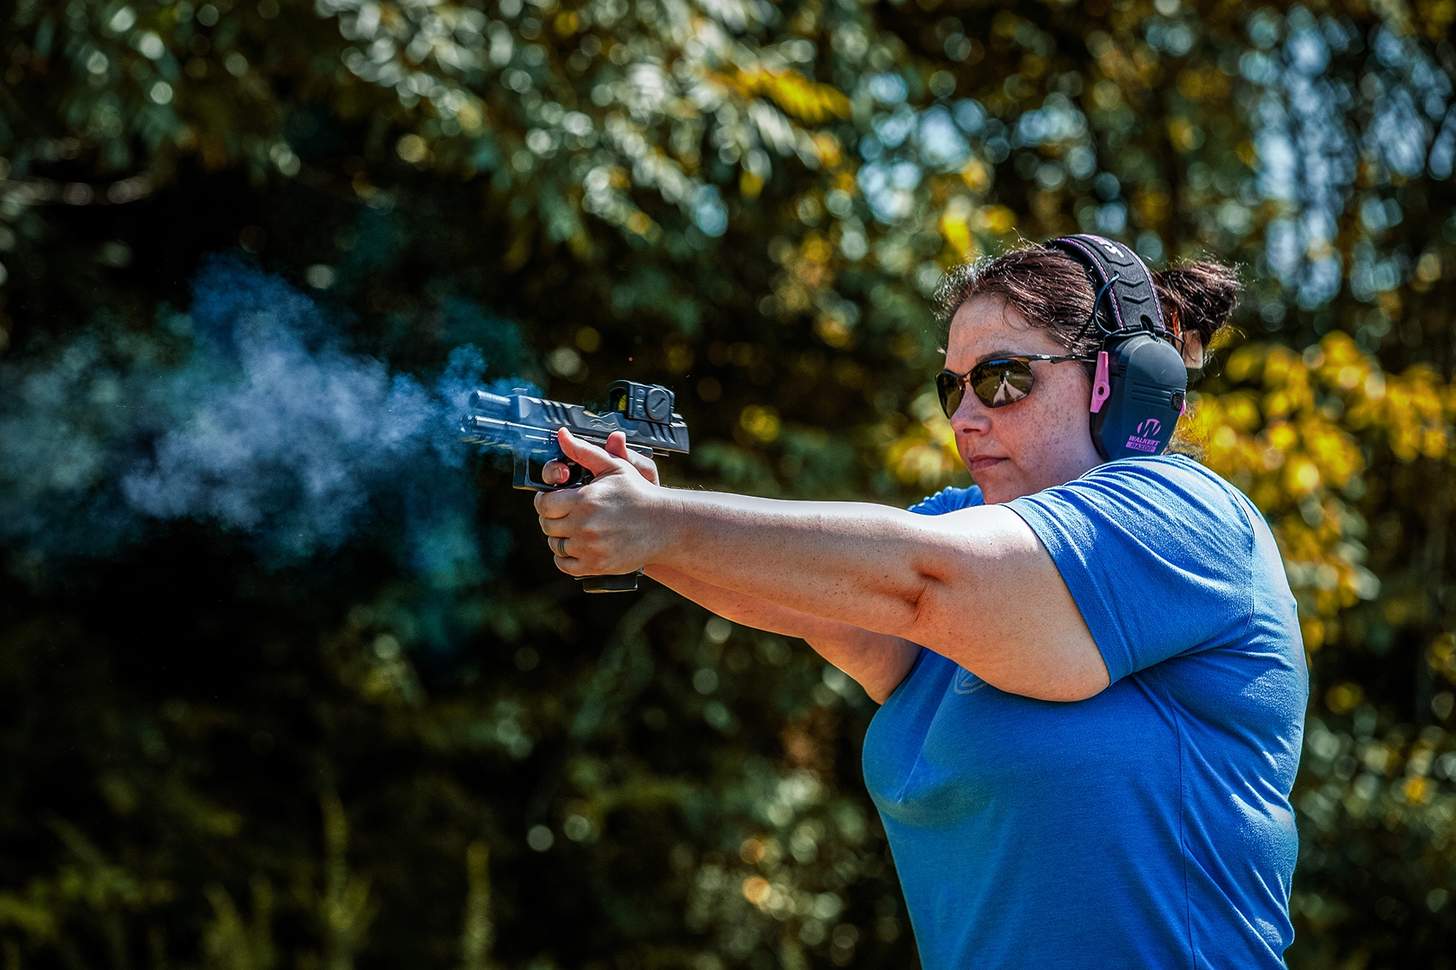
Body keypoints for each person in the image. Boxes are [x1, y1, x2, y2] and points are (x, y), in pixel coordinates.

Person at [533, 238, 1308, 968]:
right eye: (954, 387)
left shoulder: (1187, 514)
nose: (967, 416)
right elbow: (821, 602)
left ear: (1118, 382)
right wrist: (649, 529)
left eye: (1004, 377)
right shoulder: (957, 527)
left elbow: (921, 584)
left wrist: (659, 523)